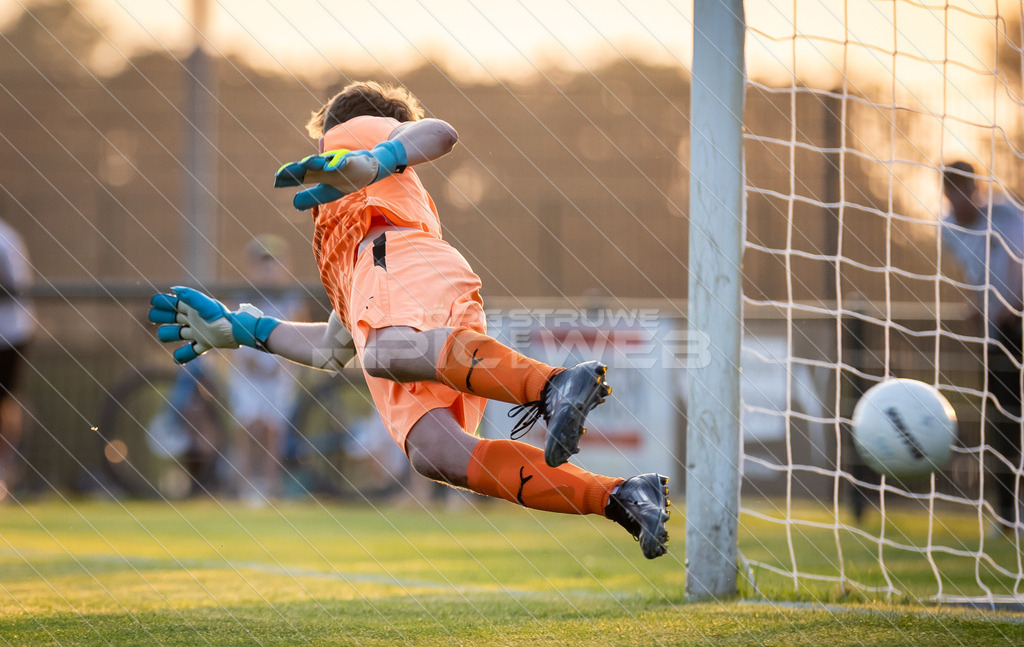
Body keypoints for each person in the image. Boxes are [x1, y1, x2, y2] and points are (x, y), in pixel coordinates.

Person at [149, 81, 670, 559]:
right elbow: (334, 348)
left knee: (386, 351)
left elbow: (439, 133)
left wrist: (375, 155)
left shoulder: (352, 131)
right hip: (409, 285)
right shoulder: (350, 243)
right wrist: (241, 331)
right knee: (434, 454)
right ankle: (620, 497)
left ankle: (551, 384)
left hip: (400, 262)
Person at [941, 161, 1024, 536]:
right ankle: (1007, 515)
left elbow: (1015, 262)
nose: (962, 197)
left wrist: (1015, 301)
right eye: (954, 190)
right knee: (1002, 424)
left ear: (977, 188)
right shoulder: (948, 230)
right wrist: (977, 302)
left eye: (967, 188)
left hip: (1018, 323)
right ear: (946, 193)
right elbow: (976, 272)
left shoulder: (1008, 214)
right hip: (998, 337)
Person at [226, 234, 306, 505]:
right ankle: (244, 486)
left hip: (279, 374)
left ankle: (271, 488)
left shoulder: (292, 299)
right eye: (262, 263)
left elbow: (299, 335)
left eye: (274, 262)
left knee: (274, 431)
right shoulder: (240, 297)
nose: (268, 269)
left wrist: (282, 364)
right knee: (248, 427)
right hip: (248, 374)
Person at [0, 217, 35, 501]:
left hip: (9, 334)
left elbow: (16, 286)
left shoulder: (5, 237)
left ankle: (6, 472)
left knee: (6, 402)